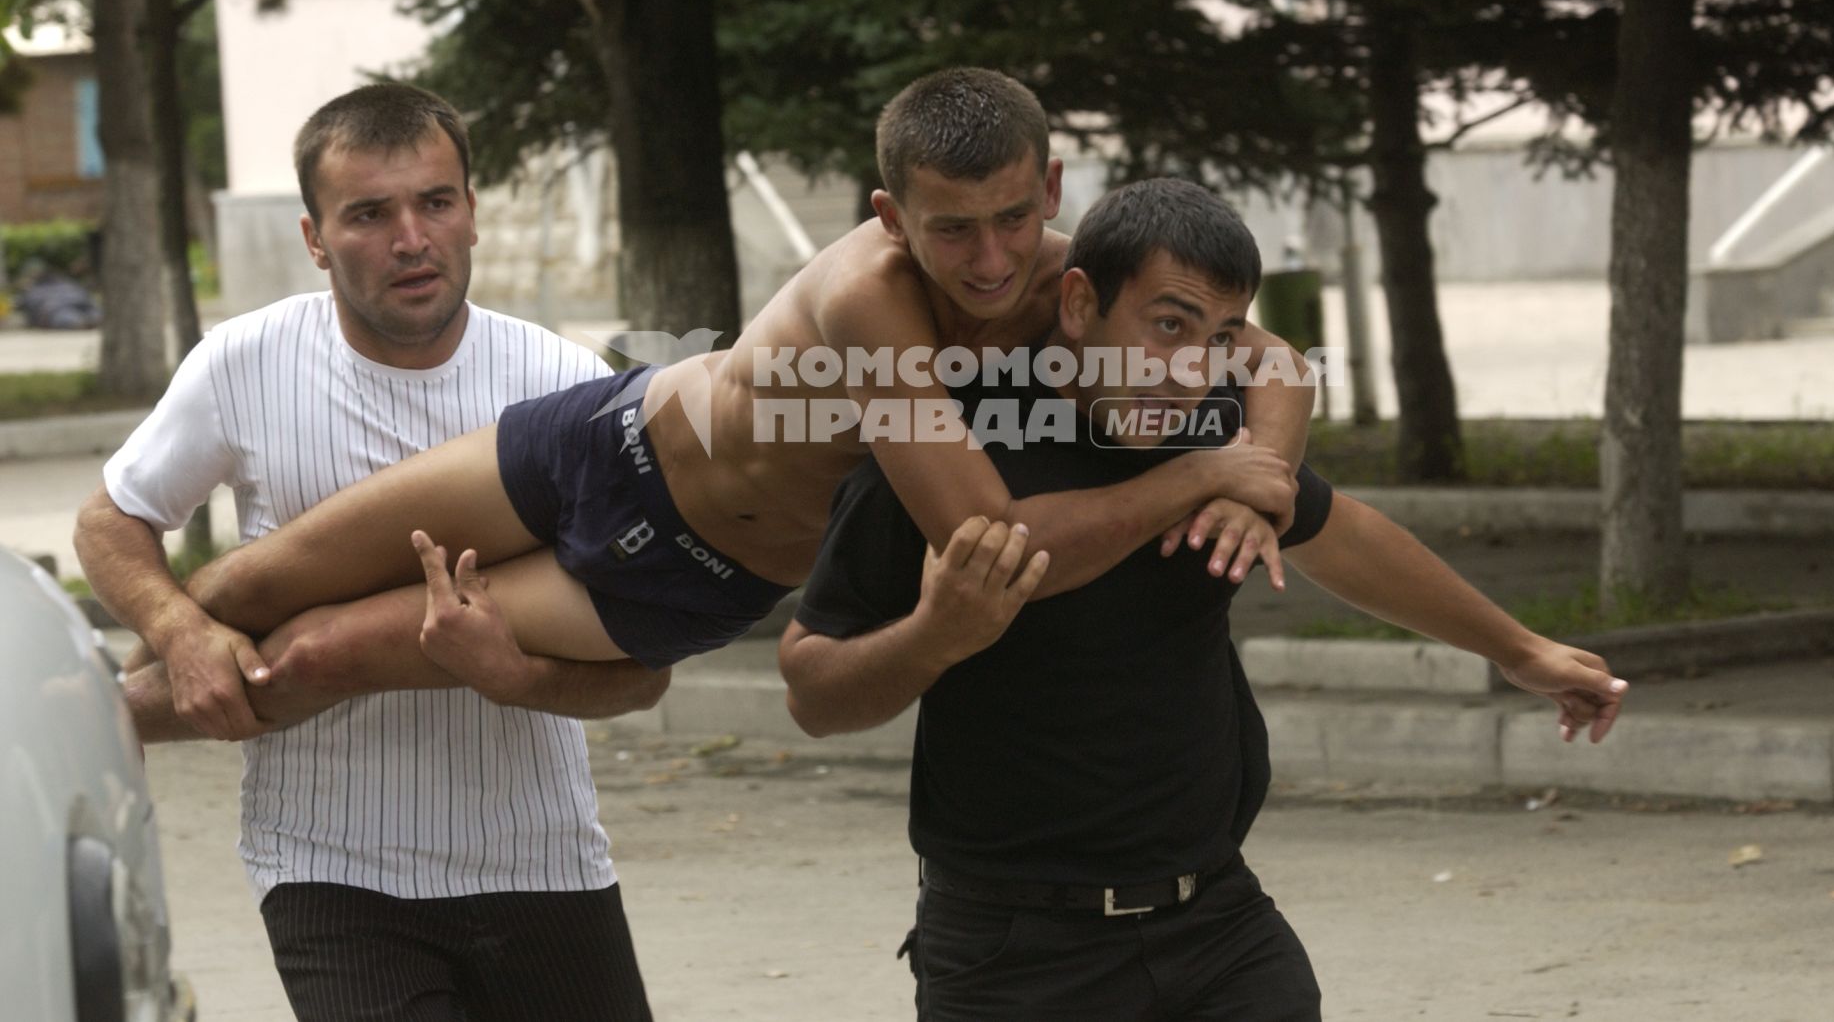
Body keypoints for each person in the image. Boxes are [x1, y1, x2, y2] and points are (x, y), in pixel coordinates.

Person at [170, 68, 1315, 704]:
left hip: (701, 574)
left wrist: (1259, 480)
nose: (989, 259)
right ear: (889, 217)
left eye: (1015, 217)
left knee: (313, 657)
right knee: (258, 583)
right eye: (949, 230)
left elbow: (1271, 361)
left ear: (1051, 186)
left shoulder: (1081, 282)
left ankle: (106, 740)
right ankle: (79, 712)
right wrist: (1215, 473)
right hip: (611, 445)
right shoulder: (872, 295)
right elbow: (984, 532)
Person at [778, 179, 1629, 1021]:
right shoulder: (948, 457)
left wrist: (1521, 650)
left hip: (1219, 927)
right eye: (1170, 326)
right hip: (1014, 952)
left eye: (1222, 338)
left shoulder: (1216, 432)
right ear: (1079, 304)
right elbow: (813, 690)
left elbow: (1346, 536)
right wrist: (933, 635)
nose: (1195, 371)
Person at [72, 84, 665, 1021]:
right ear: (316, 238)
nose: (411, 237)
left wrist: (515, 675)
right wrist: (178, 629)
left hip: (542, 860)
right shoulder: (245, 362)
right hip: (330, 867)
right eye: (369, 213)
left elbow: (643, 675)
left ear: (471, 211)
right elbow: (112, 519)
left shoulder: (568, 392)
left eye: (435, 201)